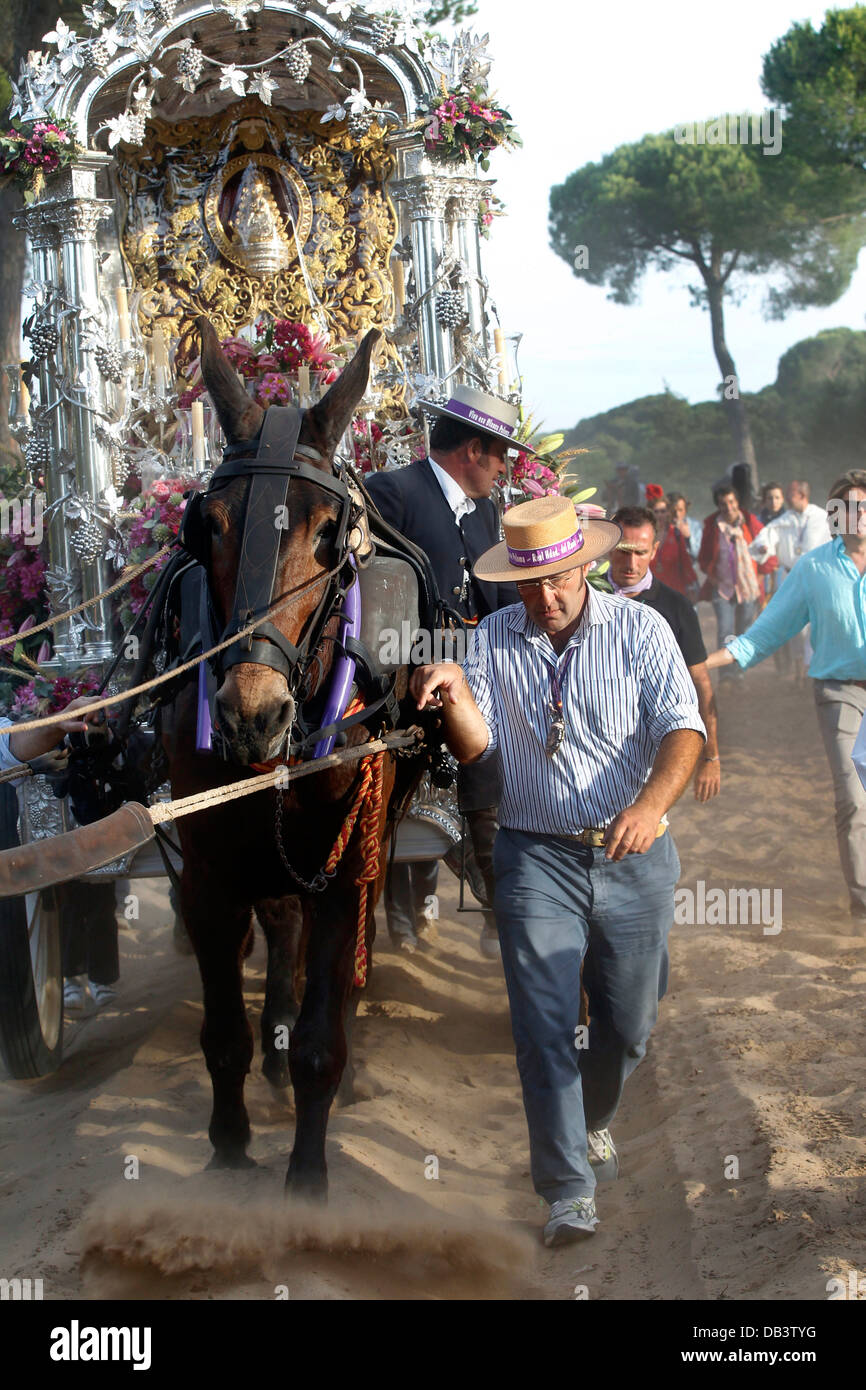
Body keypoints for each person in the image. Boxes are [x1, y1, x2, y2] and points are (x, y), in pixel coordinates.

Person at [410, 496, 705, 1245]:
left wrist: (648, 806)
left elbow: (683, 731)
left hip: (631, 854)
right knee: (543, 1024)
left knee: (630, 1023)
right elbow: (481, 752)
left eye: (559, 580)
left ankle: (594, 1121)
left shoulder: (643, 631)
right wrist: (455, 693)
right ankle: (567, 1190)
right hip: (535, 853)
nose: (545, 597)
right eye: (529, 584)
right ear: (512, 582)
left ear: (586, 566)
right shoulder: (492, 642)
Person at [365, 384, 521, 960]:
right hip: (413, 675)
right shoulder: (395, 491)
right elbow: (373, 596)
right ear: (474, 450)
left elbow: (494, 594)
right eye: (501, 455)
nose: (504, 469)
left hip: (480, 666)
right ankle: (490, 875)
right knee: (478, 742)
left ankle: (505, 886)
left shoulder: (485, 510)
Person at [706, 470, 866, 924]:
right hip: (840, 694)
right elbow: (767, 633)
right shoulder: (814, 569)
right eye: (850, 506)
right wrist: (705, 661)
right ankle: (863, 904)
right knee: (854, 798)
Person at [0, 697, 119, 1012]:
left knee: (103, 906)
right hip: (56, 846)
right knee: (67, 907)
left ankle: (103, 979)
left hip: (96, 832)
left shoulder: (97, 751)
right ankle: (71, 979)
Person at [610, 506, 720, 801]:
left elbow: (700, 682)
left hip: (653, 750)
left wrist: (710, 757)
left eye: (641, 552)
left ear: (655, 551)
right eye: (623, 550)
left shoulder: (677, 608)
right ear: (608, 544)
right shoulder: (584, 598)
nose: (631, 563)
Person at [698, 483, 767, 670]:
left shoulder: (751, 523)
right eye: (723, 503)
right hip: (723, 588)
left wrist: (760, 578)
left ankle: (740, 673)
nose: (728, 507)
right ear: (718, 506)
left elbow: (766, 554)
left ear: (737, 502)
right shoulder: (712, 527)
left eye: (731, 502)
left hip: (748, 588)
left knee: (744, 632)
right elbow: (703, 558)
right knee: (725, 631)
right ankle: (727, 675)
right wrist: (712, 578)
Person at [651, 493, 698, 598]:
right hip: (651, 590)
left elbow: (686, 561)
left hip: (674, 590)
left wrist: (691, 584)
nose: (660, 515)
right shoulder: (646, 535)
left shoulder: (676, 533)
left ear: (668, 513)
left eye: (663, 511)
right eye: (656, 511)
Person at [669, 492, 703, 563]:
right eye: (673, 511)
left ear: (685, 510)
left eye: (680, 510)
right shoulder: (661, 526)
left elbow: (699, 556)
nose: (677, 514)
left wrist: (688, 537)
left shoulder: (695, 525)